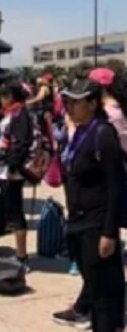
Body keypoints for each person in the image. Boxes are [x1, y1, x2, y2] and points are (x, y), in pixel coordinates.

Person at [51, 78, 125, 331]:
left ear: (93, 104)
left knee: (104, 294)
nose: (68, 107)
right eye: (67, 102)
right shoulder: (82, 131)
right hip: (79, 221)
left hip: (97, 224)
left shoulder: (103, 134)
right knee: (94, 288)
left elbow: (116, 187)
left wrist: (108, 232)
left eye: (75, 102)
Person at [0, 82, 32, 262]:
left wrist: (12, 167)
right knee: (11, 210)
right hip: (4, 169)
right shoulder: (12, 113)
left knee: (16, 212)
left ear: (10, 96)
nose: (0, 100)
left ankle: (21, 256)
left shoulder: (20, 114)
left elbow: (22, 143)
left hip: (11, 171)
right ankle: (20, 254)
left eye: (3, 96)